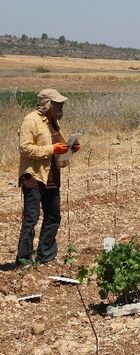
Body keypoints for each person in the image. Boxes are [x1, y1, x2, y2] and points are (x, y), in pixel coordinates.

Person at [17, 89, 80, 266]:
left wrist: (70, 150)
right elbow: (25, 148)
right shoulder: (31, 120)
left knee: (53, 216)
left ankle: (46, 256)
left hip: (52, 176)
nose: (61, 108)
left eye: (62, 105)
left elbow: (59, 153)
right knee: (31, 219)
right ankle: (24, 260)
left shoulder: (54, 123)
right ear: (47, 105)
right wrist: (52, 149)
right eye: (58, 105)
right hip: (34, 176)